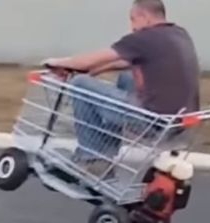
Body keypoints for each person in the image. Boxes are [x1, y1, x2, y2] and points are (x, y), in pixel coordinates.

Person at [42, 0, 200, 176]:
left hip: (151, 120)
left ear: (144, 17)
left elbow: (91, 59)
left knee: (80, 84)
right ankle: (104, 157)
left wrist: (57, 63)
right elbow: (124, 61)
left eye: (133, 19)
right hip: (178, 121)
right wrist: (95, 70)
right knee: (126, 77)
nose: (132, 27)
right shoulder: (178, 34)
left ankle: (91, 159)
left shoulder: (144, 38)